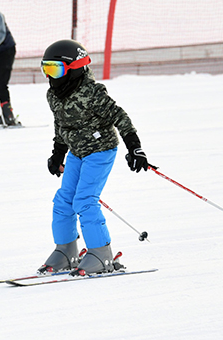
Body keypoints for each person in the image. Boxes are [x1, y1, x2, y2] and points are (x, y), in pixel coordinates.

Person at [38, 39, 150, 276]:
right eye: (46, 68)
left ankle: (101, 254)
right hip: (77, 152)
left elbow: (120, 116)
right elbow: (61, 124)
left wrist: (135, 147)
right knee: (63, 201)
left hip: (100, 150)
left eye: (56, 69)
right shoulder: (54, 95)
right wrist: (58, 153)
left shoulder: (91, 93)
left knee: (85, 201)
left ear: (75, 68)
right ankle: (66, 250)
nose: (51, 76)